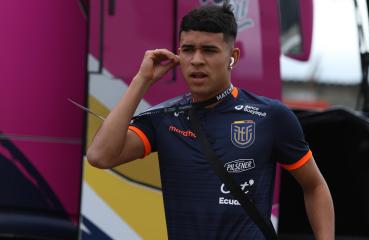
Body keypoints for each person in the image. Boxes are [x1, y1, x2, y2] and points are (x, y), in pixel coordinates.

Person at [87, 3, 334, 240]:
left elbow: (314, 186)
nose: (196, 60)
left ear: (233, 57)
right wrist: (142, 80)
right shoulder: (163, 118)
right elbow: (100, 156)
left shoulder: (271, 116)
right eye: (188, 49)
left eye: (209, 50)